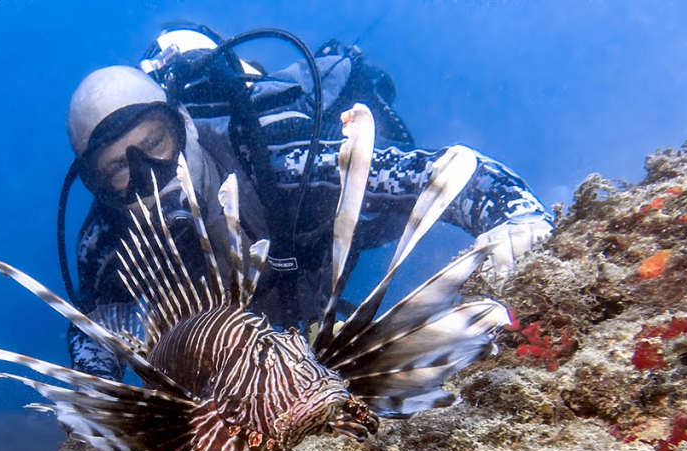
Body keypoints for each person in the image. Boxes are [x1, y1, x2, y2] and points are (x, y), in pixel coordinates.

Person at [63, 26, 552, 381]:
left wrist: (513, 215)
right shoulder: (105, 240)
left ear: (184, 123)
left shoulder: (283, 163)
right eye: (117, 169)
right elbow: (96, 323)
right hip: (233, 362)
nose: (149, 176)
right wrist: (97, 389)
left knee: (377, 219)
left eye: (155, 143)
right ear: (96, 185)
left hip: (313, 248)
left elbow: (444, 174)